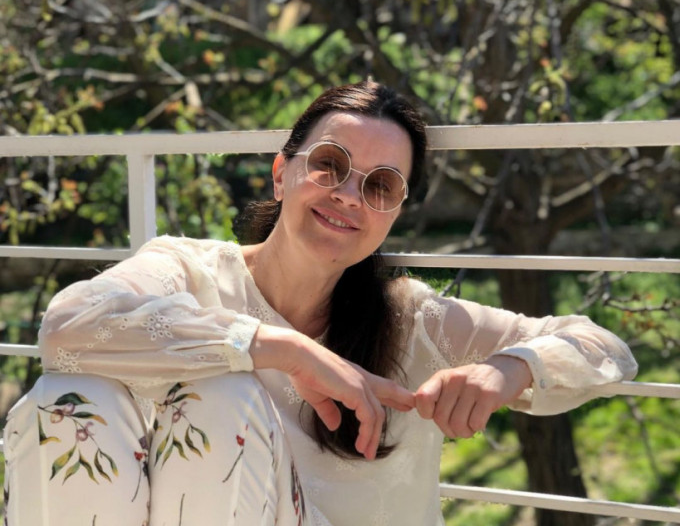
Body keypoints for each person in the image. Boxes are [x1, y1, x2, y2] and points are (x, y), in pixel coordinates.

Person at [3, 81, 637, 526]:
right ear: (282, 173)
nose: (349, 195)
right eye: (330, 165)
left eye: (381, 186)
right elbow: (67, 328)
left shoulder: (413, 320)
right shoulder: (188, 271)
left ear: (393, 213)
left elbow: (604, 347)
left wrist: (509, 369)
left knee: (220, 396)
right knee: (69, 399)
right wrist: (283, 350)